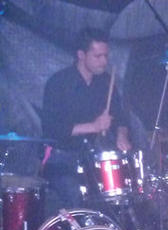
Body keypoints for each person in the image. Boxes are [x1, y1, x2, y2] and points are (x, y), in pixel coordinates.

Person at [41, 27, 132, 208]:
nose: (104, 61)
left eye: (106, 56)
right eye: (98, 56)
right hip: (62, 159)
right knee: (77, 195)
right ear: (81, 55)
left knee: (118, 196)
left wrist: (122, 135)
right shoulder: (58, 83)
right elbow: (52, 129)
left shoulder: (106, 81)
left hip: (93, 157)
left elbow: (120, 117)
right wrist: (93, 126)